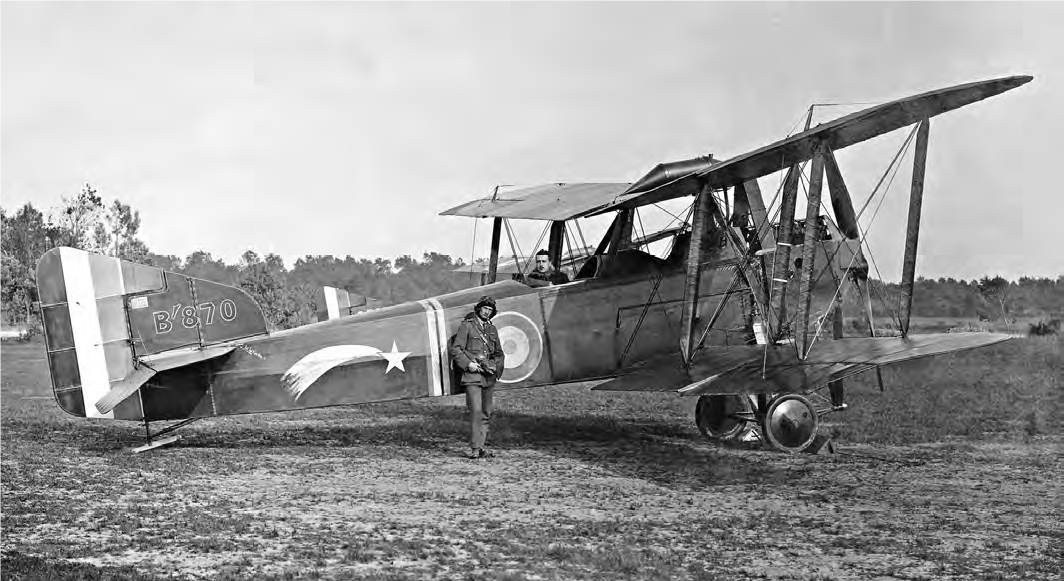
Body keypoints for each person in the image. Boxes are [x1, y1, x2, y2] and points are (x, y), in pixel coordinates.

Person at [449, 295, 505, 459]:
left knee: (486, 412)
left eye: (490, 310)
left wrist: (494, 366)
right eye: (485, 308)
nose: (487, 312)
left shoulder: (492, 330)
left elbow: (498, 353)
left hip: (488, 377)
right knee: (476, 411)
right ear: (479, 308)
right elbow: (456, 349)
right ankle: (475, 447)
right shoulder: (467, 326)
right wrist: (468, 364)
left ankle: (481, 447)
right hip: (472, 376)